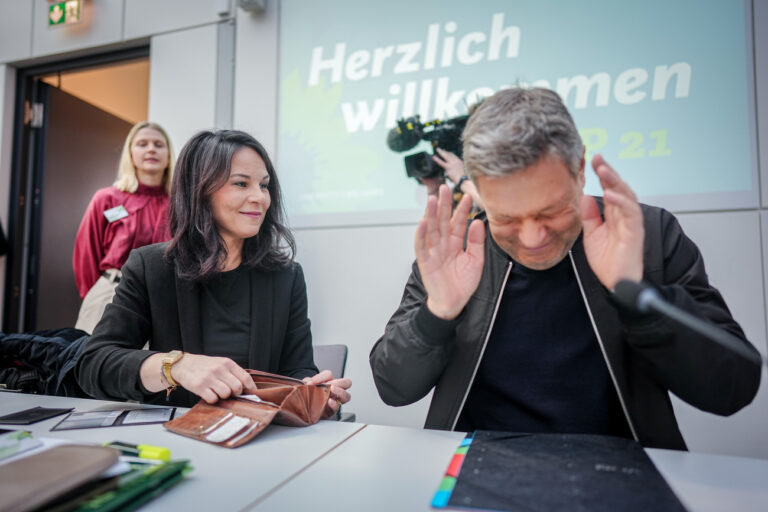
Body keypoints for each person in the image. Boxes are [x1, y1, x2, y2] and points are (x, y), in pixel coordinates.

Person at [370, 87, 761, 450]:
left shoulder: (646, 234)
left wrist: (636, 295)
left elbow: (730, 388)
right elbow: (394, 388)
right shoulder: (456, 249)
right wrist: (438, 313)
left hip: (621, 468)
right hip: (476, 462)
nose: (532, 237)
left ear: (579, 169)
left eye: (551, 210)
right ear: (478, 191)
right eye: (506, 218)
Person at [76, 129, 351, 416]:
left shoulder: (286, 276)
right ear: (200, 189)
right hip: (175, 440)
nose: (260, 197)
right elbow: (94, 365)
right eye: (241, 184)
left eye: (264, 185)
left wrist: (313, 393)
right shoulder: (152, 267)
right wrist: (175, 366)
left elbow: (298, 368)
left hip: (257, 440)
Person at [73, 121, 176, 334]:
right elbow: (86, 254)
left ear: (168, 156)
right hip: (111, 292)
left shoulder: (181, 204)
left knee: (152, 363)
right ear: (130, 154)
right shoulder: (107, 199)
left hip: (164, 297)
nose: (150, 149)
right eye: (142, 144)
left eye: (158, 144)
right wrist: (99, 292)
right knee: (92, 362)